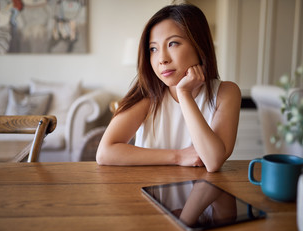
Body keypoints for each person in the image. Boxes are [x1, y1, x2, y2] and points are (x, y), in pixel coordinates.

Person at [96, 4, 241, 172]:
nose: (162, 59)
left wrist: (184, 94)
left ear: (199, 45)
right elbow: (105, 153)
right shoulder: (148, 94)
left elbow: (213, 161)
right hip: (148, 193)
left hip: (204, 192)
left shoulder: (226, 93)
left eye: (173, 43)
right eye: (153, 49)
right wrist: (177, 156)